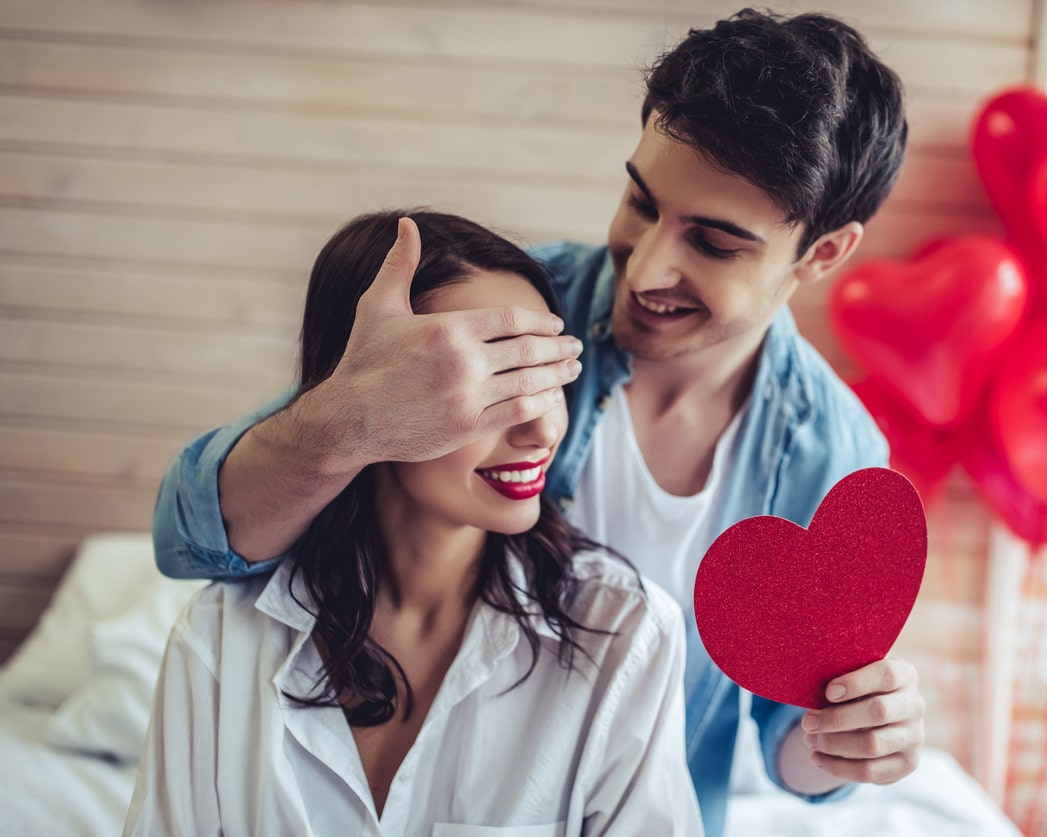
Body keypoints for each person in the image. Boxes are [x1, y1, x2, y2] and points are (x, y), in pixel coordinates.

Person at [153, 10, 926, 837]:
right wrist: (353, 419)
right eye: (641, 201)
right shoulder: (505, 310)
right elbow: (191, 533)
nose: (648, 264)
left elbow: (787, 749)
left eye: (713, 243)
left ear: (822, 255)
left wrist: (854, 737)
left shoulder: (834, 454)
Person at [128, 210, 702, 835]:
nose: (542, 430)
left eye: (547, 380)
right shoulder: (221, 641)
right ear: (363, 393)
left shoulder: (622, 635)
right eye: (492, 384)